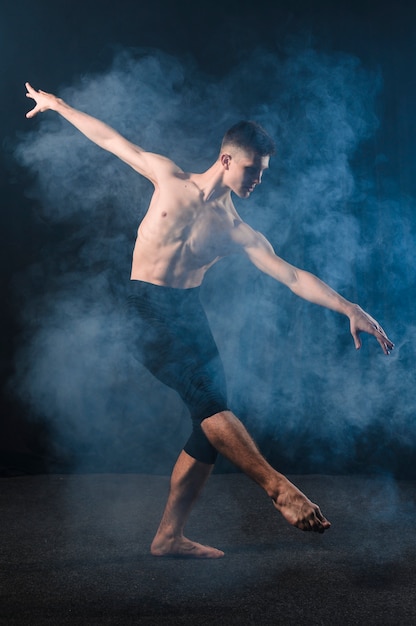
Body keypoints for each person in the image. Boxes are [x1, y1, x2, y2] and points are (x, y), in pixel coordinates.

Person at [25, 82, 394, 558]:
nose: (258, 181)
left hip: (187, 313)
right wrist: (57, 105)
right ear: (226, 160)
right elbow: (112, 140)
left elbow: (292, 276)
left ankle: (168, 536)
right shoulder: (168, 178)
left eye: (262, 174)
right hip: (144, 307)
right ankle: (281, 490)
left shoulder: (237, 230)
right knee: (210, 407)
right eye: (252, 170)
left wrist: (349, 307)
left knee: (209, 419)